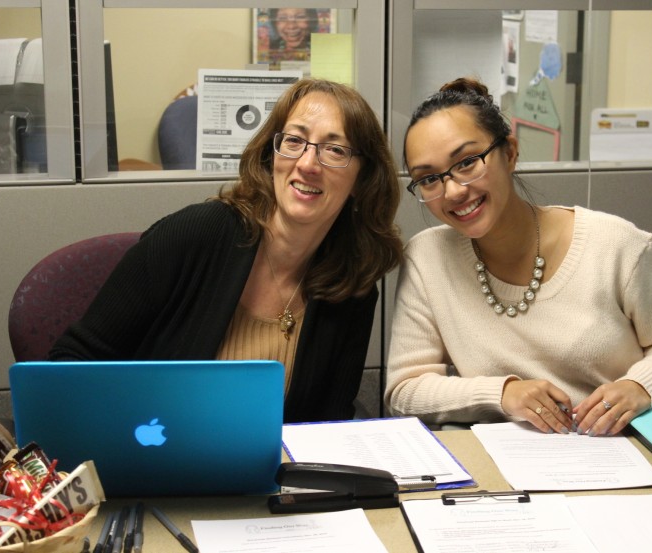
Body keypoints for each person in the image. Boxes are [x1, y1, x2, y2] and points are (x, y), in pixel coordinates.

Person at [49, 78, 403, 423]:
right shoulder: (195, 235)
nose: (308, 164)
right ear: (270, 156)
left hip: (271, 479)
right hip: (149, 467)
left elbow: (329, 424)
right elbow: (70, 363)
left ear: (362, 179)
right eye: (294, 141)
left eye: (335, 150)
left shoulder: (351, 286)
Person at [385, 77, 652, 437]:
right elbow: (405, 390)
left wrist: (640, 386)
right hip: (503, 462)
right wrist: (503, 393)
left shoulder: (616, 244)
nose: (453, 190)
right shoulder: (427, 258)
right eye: (429, 179)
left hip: (617, 448)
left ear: (510, 153)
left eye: (468, 162)